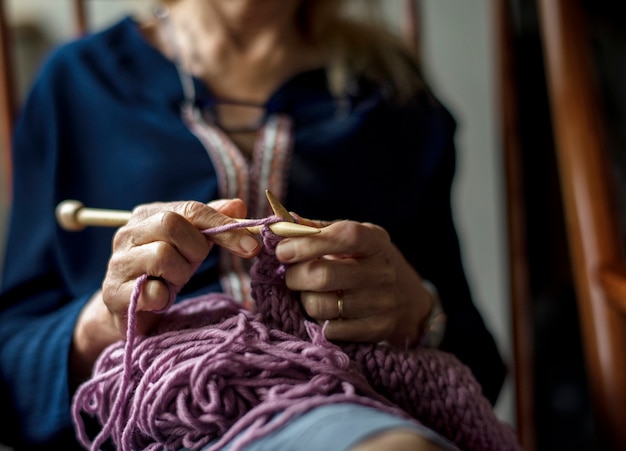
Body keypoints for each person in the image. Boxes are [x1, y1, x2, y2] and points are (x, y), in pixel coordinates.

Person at [0, 0, 508, 449]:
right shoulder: (80, 82)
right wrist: (108, 325)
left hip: (361, 402)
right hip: (157, 414)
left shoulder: (392, 99)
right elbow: (12, 374)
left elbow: (479, 367)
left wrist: (416, 311)